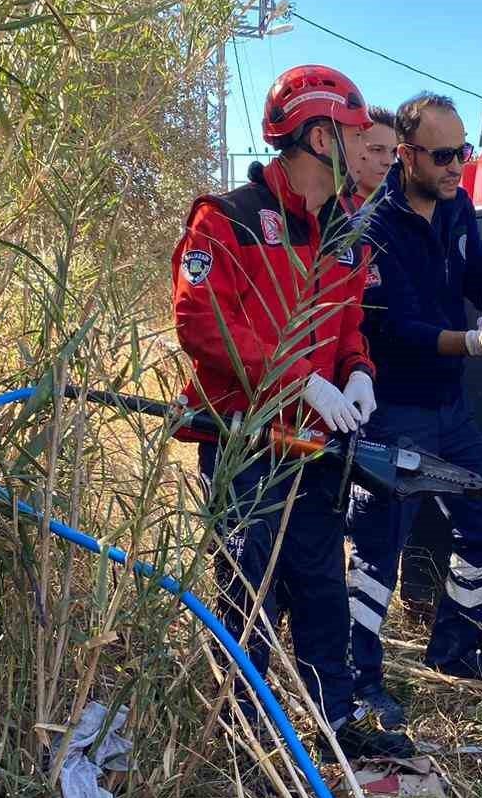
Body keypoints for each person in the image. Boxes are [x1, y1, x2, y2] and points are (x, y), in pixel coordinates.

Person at [172, 64, 415, 762]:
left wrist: (358, 371)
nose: (369, 147)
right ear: (316, 135)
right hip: (246, 443)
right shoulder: (228, 219)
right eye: (352, 134)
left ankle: (334, 723)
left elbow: (345, 327)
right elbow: (201, 322)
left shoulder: (343, 233)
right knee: (248, 593)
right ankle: (241, 736)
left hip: (315, 450)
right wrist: (302, 381)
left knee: (319, 584)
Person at [345, 92, 482, 727]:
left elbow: (478, 283)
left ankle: (456, 650)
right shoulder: (374, 229)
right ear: (406, 155)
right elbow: (392, 328)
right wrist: (474, 342)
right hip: (395, 410)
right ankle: (359, 683)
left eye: (462, 151)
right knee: (379, 548)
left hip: (450, 408)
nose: (457, 165)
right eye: (442, 155)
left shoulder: (458, 206)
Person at [351, 105, 397, 200]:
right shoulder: (327, 208)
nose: (389, 162)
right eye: (377, 150)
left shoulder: (399, 210)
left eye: (394, 153)